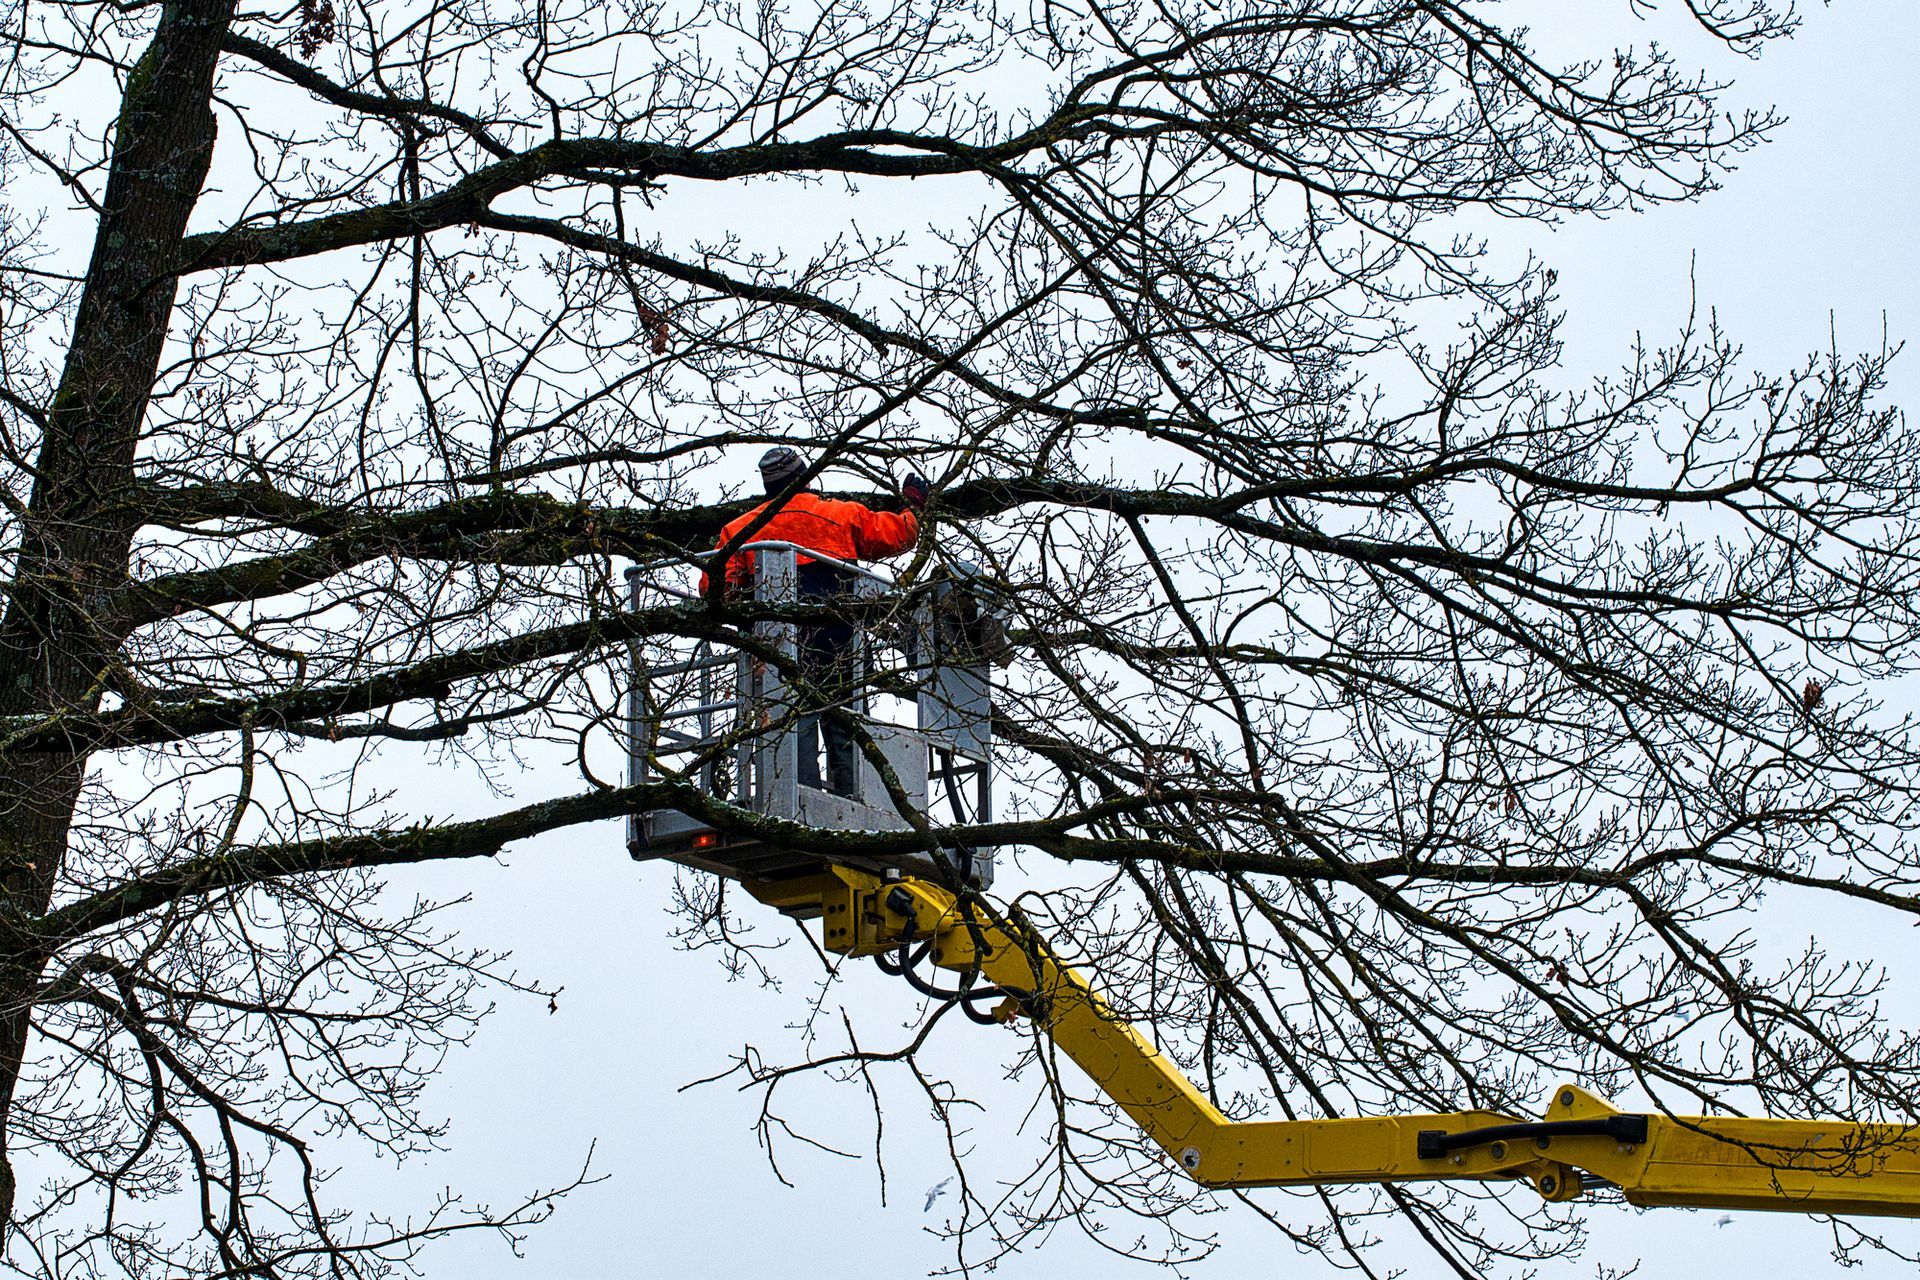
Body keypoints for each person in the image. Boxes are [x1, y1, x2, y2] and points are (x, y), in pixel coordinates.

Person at [703, 446, 928, 797]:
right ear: (805, 477)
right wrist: (912, 506)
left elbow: (715, 593)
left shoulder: (741, 530)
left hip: (776, 651)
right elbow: (900, 535)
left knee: (792, 726)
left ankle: (798, 800)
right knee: (847, 725)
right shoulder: (839, 515)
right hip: (840, 646)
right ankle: (854, 796)